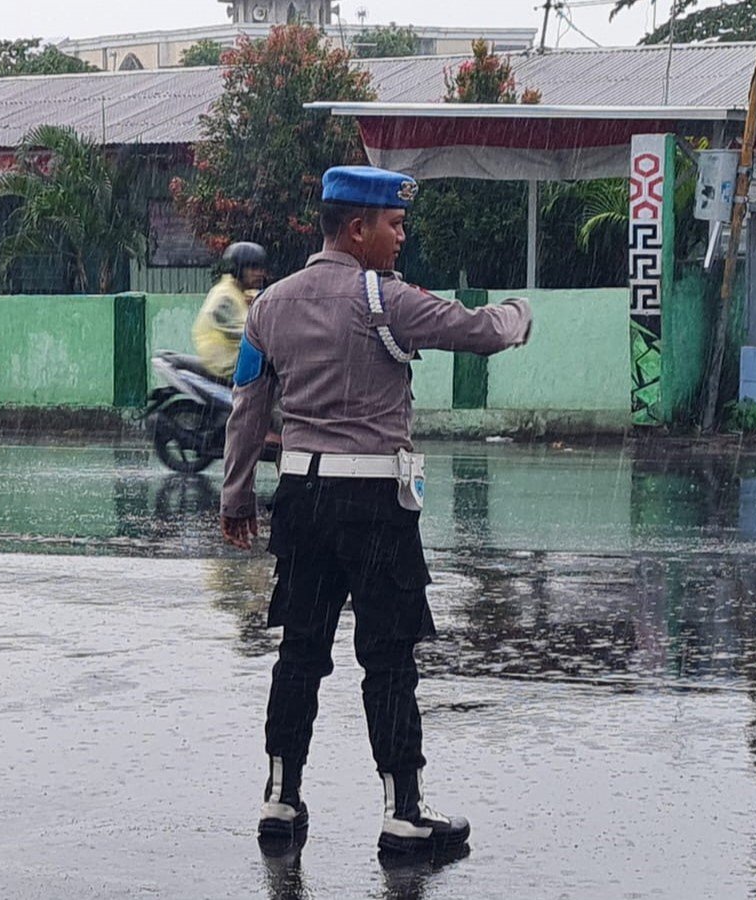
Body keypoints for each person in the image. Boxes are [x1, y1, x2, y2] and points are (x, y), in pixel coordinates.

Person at [221, 166, 533, 856]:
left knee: (300, 653)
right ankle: (404, 812)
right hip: (376, 505)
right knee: (388, 659)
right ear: (357, 229)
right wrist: (519, 313)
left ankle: (279, 799)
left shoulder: (269, 305)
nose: (401, 238)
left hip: (301, 499)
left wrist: (236, 493)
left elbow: (248, 406)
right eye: (394, 225)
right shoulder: (387, 300)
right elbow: (480, 331)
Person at [192, 242, 269, 381]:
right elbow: (246, 334)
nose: (260, 274)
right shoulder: (224, 297)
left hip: (241, 365)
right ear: (237, 269)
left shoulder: (240, 292)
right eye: (253, 268)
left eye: (261, 268)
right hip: (226, 370)